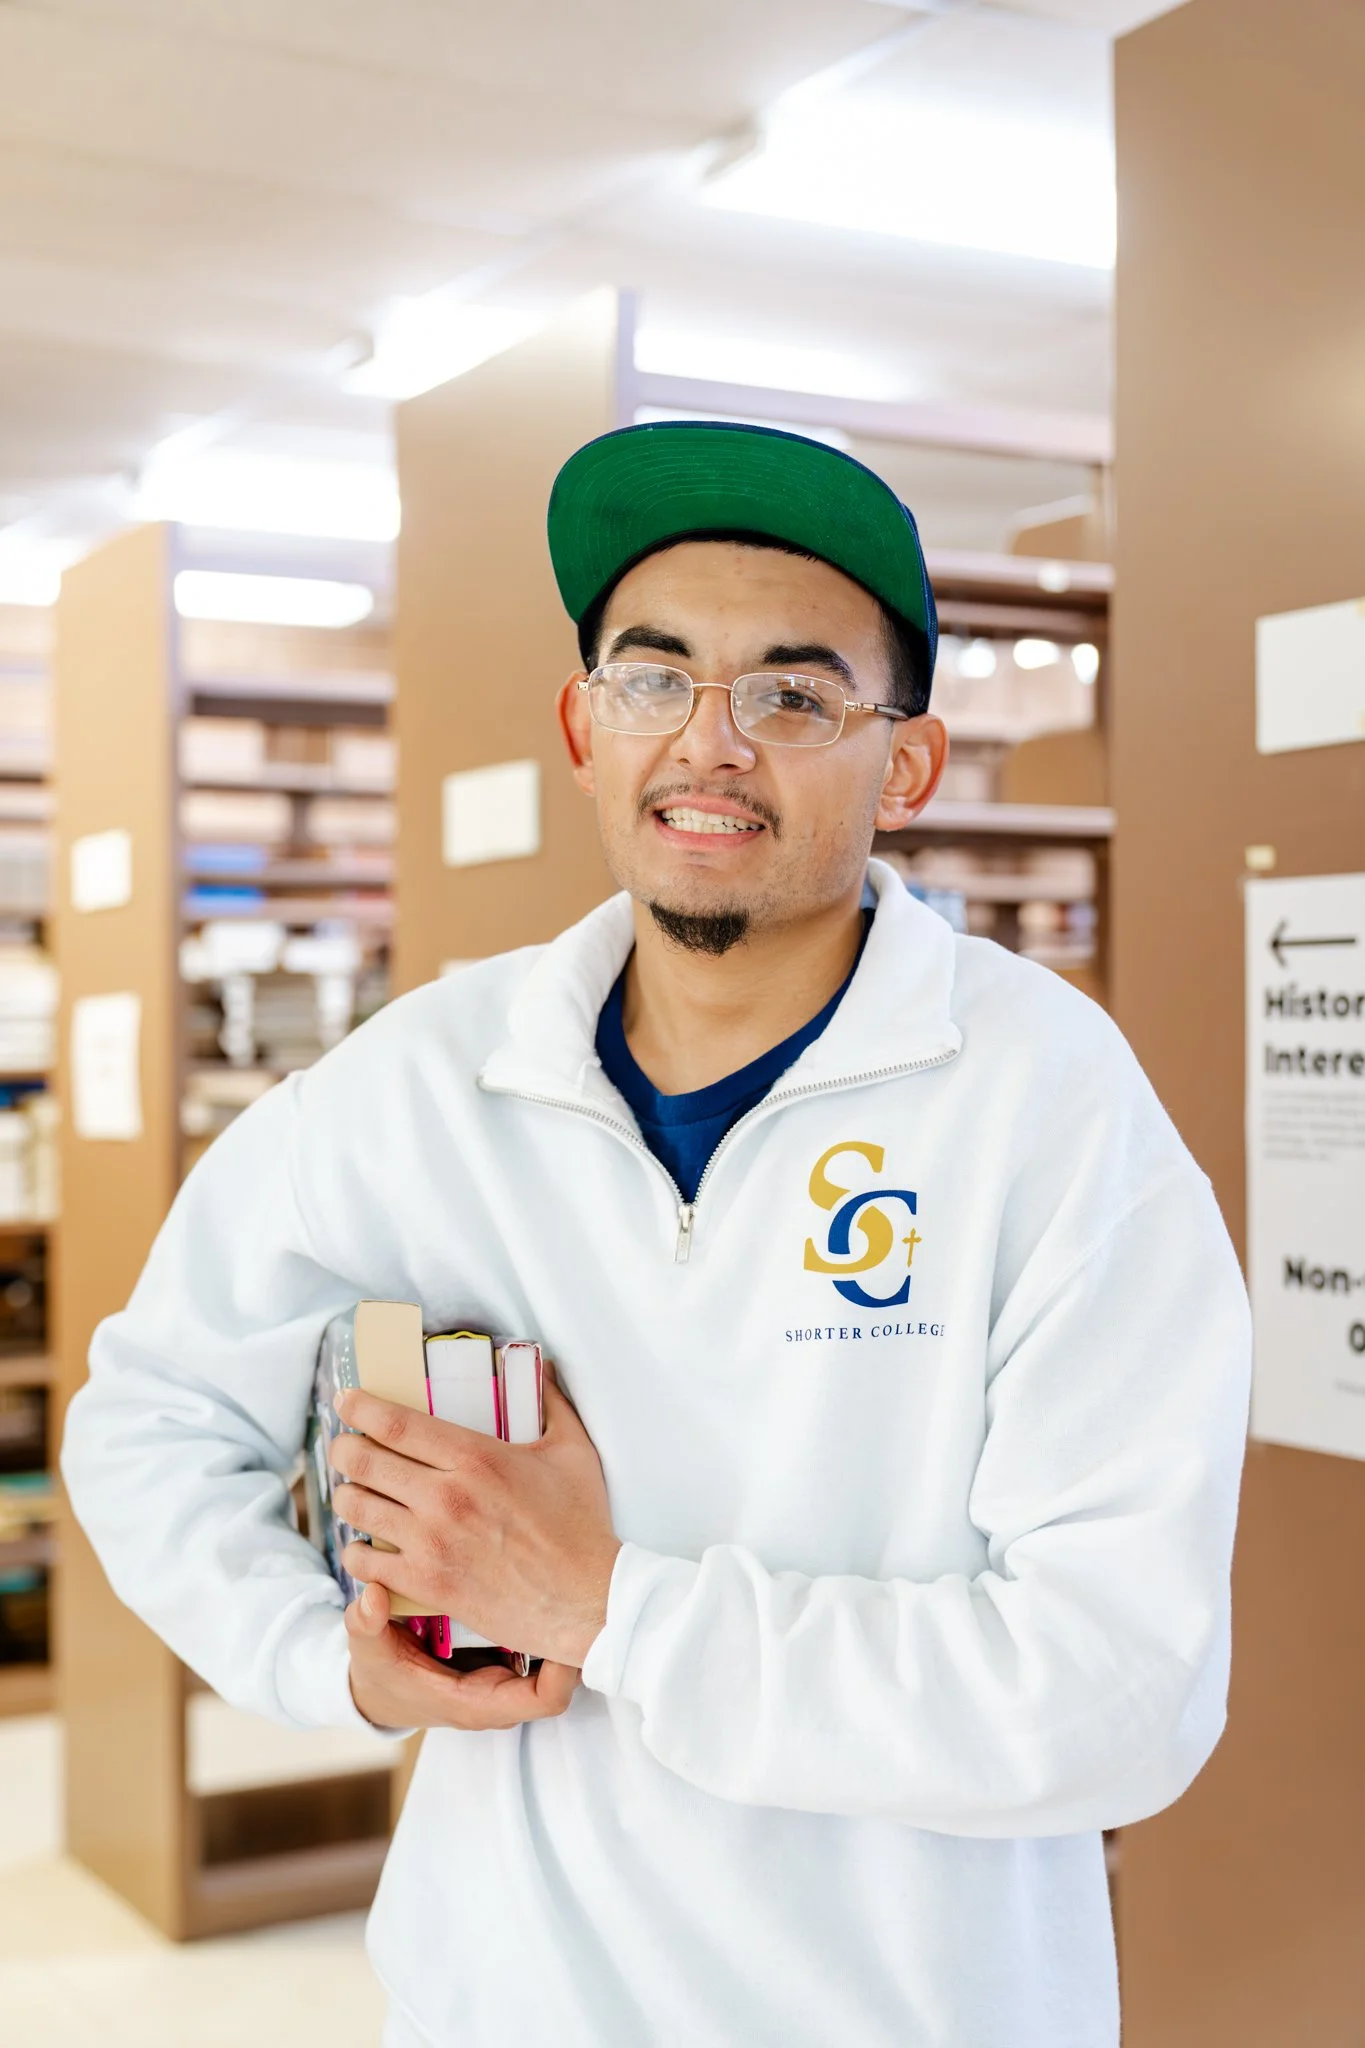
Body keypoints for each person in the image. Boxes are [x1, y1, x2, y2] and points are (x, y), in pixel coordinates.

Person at [62, 421, 1251, 2048]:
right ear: (581, 726)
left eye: (792, 693)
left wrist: (603, 1603)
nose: (711, 742)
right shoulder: (434, 1077)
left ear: (905, 764)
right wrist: (317, 1660)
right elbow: (150, 1413)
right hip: (503, 2007)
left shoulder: (1046, 1104)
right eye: (653, 678)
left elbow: (1122, 1697)